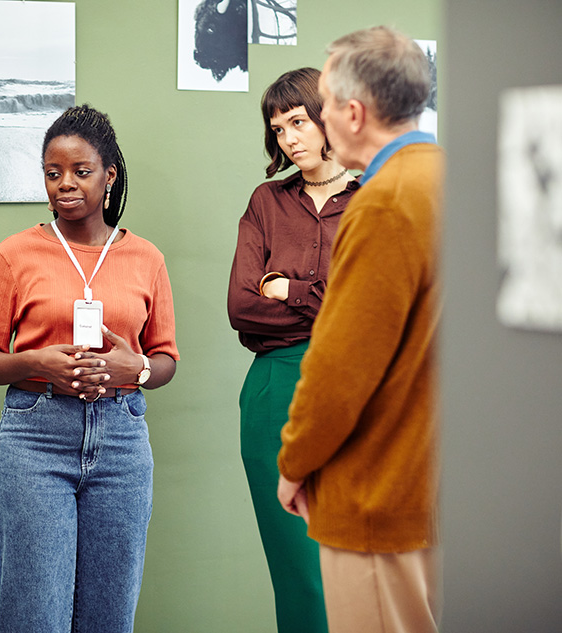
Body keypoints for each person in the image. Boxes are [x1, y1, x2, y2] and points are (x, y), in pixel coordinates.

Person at [0, 104, 179, 633]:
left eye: (81, 172)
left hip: (122, 443)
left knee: (109, 615)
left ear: (109, 176)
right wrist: (36, 362)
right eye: (52, 172)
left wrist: (137, 369)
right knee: (35, 614)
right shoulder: (15, 255)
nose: (65, 184)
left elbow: (166, 360)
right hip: (35, 440)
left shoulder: (147, 258)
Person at [276, 26, 442, 633]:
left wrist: (294, 463)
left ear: (353, 113)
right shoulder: (450, 179)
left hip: (379, 495)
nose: (318, 119)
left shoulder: (383, 201)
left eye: (322, 105)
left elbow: (340, 369)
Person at [227, 66, 357, 633]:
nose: (289, 139)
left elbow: (371, 309)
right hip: (273, 391)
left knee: (356, 566)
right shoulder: (266, 202)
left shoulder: (374, 198)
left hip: (356, 388)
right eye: (278, 129)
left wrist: (292, 290)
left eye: (299, 122)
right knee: (298, 571)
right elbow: (241, 307)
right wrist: (326, 299)